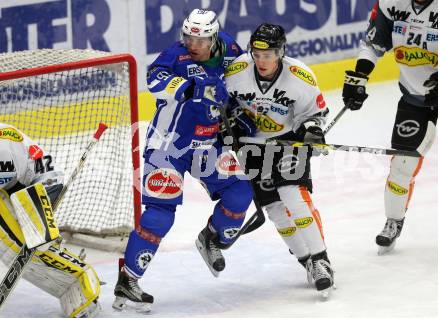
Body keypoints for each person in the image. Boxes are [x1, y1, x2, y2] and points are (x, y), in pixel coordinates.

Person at [113, 9, 253, 312]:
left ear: (213, 38)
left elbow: (243, 85)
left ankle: (211, 238)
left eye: (199, 39)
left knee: (240, 192)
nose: (191, 43)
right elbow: (154, 79)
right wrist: (189, 87)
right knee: (159, 215)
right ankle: (128, 280)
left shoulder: (230, 50)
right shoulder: (175, 56)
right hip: (168, 146)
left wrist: (240, 117)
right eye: (188, 36)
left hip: (207, 145)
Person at [224, 23, 334, 296]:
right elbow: (222, 107)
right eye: (257, 54)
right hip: (252, 147)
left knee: (292, 195)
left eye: (268, 54)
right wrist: (229, 128)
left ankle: (321, 261)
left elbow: (315, 114)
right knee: (274, 210)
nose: (262, 61)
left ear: (281, 52)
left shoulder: (299, 76)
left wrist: (313, 131)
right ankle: (306, 261)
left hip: (288, 140)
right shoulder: (236, 72)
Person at [342, 0, 438, 254]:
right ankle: (394, 220)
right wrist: (359, 76)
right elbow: (373, 45)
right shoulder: (390, 4)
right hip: (416, 97)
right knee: (402, 164)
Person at [0, 122, 101, 317]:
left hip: (42, 186)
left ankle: (79, 278)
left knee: (26, 245)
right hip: (16, 187)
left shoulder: (5, 145)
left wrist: (35, 222)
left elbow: (24, 180)